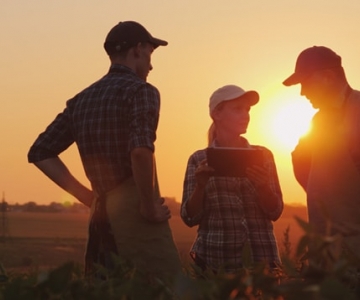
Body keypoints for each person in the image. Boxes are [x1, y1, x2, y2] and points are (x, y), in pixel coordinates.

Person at [27, 21, 181, 280]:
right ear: (138, 49)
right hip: (137, 222)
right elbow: (141, 152)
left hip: (100, 223)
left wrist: (88, 197)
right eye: (150, 55)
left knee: (103, 290)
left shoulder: (81, 100)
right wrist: (148, 206)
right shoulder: (141, 91)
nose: (151, 65)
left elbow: (40, 152)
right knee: (158, 288)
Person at [180, 85, 283, 273]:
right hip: (214, 264)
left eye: (247, 109)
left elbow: (275, 211)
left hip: (262, 263)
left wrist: (263, 187)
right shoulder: (198, 160)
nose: (246, 115)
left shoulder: (264, 156)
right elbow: (189, 217)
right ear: (216, 114)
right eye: (237, 109)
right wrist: (200, 187)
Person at [283, 46, 360, 255]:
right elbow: (302, 165)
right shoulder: (318, 121)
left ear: (327, 77)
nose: (302, 92)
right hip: (323, 249)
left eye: (305, 82)